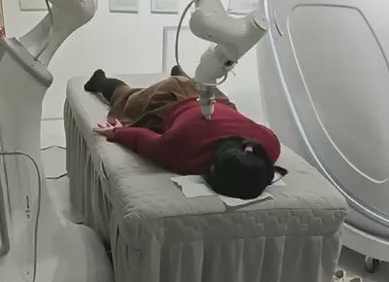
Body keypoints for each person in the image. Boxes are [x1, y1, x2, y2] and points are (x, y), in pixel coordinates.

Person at [86, 67, 281, 200]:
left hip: (213, 98)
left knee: (194, 85)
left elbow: (144, 140)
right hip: (171, 98)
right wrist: (117, 132)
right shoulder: (182, 150)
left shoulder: (269, 146)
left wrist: (119, 132)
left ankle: (182, 74)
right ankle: (101, 80)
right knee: (128, 100)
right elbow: (143, 139)